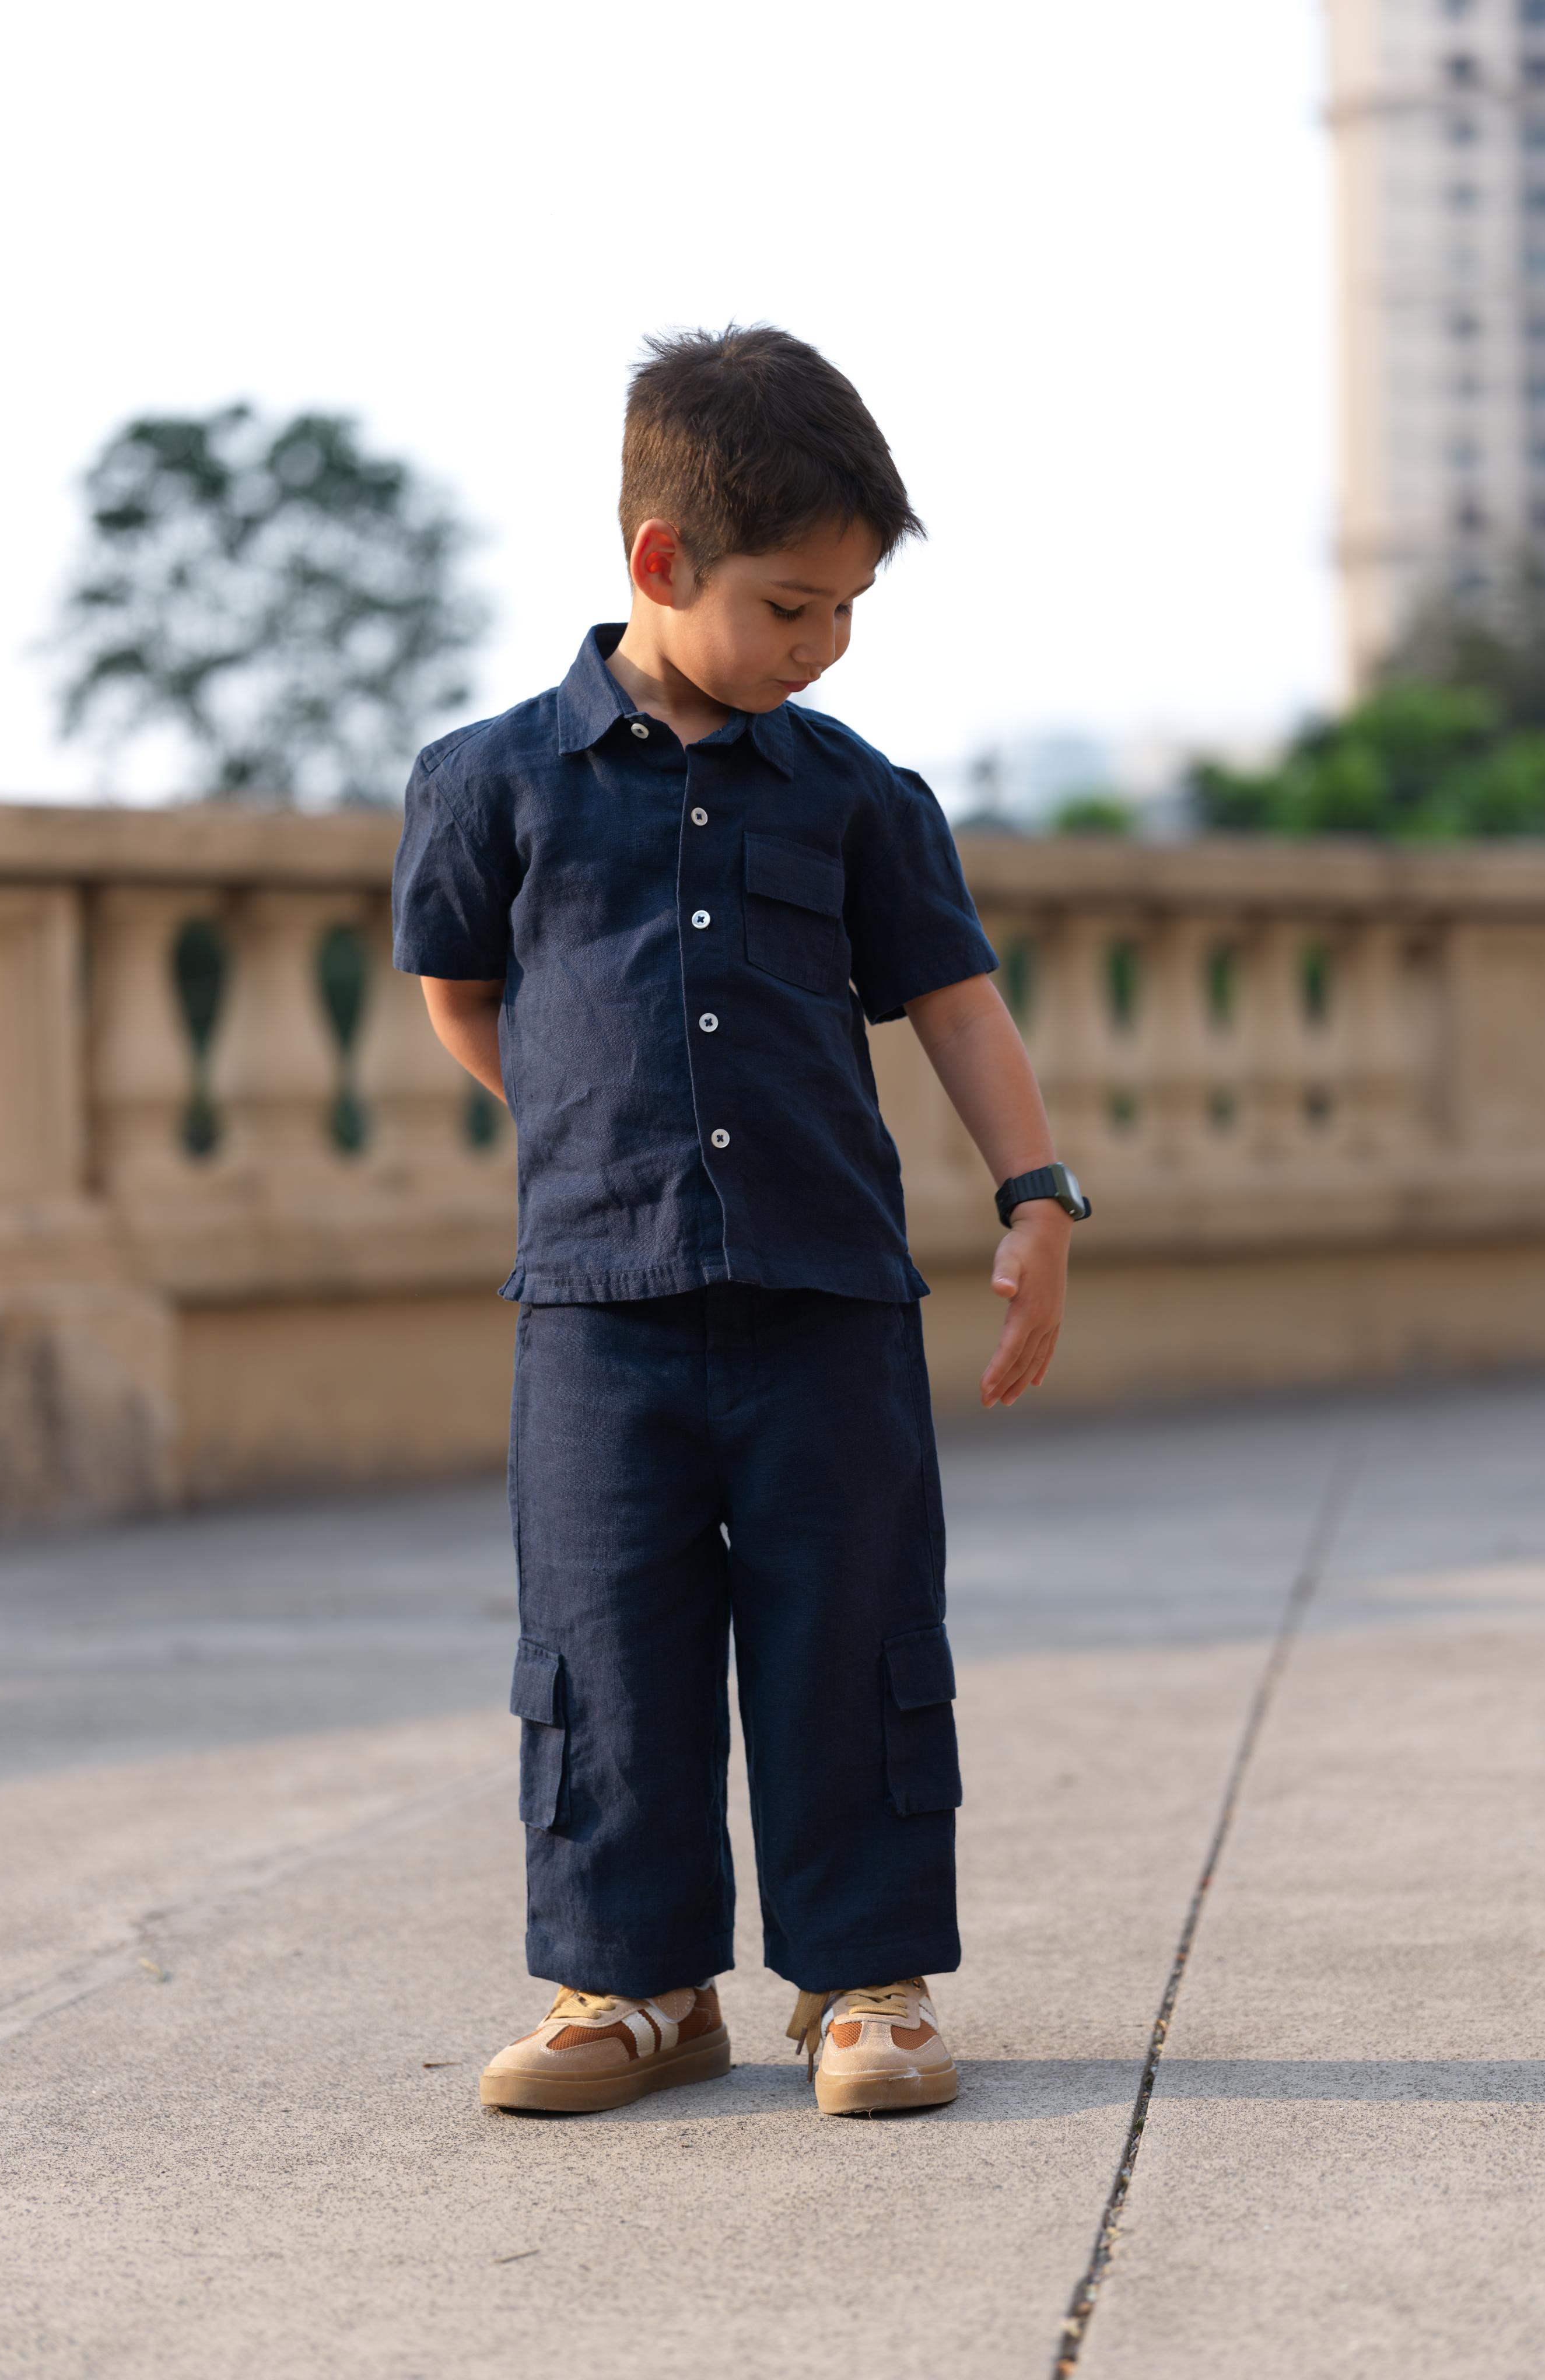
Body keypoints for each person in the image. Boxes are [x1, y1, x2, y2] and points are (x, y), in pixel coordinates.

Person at [391, 325, 1089, 2119]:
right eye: (790, 606)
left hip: (830, 1298)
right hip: (596, 1307)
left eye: (849, 609)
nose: (822, 643)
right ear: (657, 562)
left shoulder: (858, 793)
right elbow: (464, 995)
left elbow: (956, 1008)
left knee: (846, 1636)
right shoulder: (490, 782)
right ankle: (631, 1988)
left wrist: (1036, 1198)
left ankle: (866, 1986)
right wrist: (582, 1131)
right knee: (603, 1651)